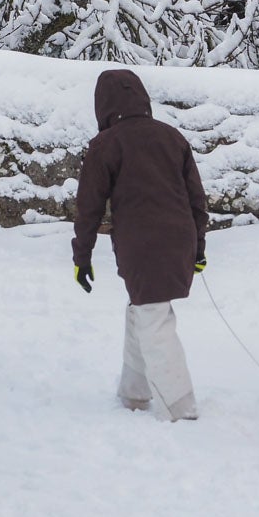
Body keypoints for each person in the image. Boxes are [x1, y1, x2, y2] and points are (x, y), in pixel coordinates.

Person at [72, 69, 209, 421]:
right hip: (180, 239)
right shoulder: (172, 137)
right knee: (142, 309)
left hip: (141, 245)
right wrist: (198, 247)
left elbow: (88, 207)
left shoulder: (105, 145)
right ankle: (134, 393)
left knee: (152, 317)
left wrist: (82, 257)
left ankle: (180, 406)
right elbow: (197, 199)